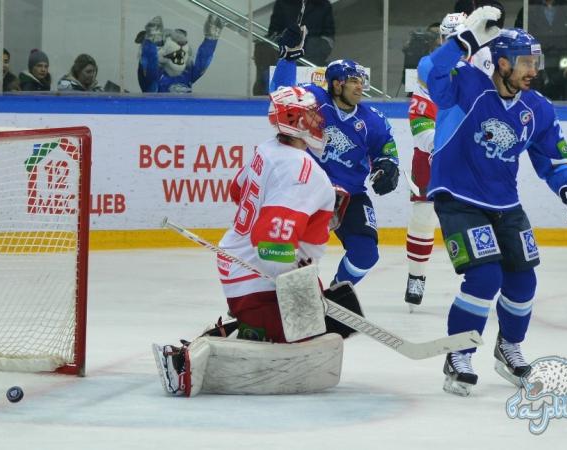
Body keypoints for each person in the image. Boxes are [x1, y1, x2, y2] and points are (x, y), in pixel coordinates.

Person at [152, 86, 364, 397]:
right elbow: (268, 243)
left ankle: (257, 326)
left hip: (242, 266)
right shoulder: (302, 170)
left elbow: (236, 191)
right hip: (260, 278)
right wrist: (296, 281)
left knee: (332, 318)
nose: (318, 121)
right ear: (293, 120)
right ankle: (192, 357)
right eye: (310, 115)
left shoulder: (268, 149)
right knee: (312, 335)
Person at [418, 6, 567, 396]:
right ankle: (458, 353)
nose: (533, 69)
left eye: (535, 61)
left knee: (523, 280)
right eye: (524, 62)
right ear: (501, 62)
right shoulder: (467, 84)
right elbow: (427, 71)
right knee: (485, 276)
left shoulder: (537, 108)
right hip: (458, 197)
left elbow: (554, 161)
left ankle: (509, 347)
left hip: (505, 203)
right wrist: (463, 41)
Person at [270, 30, 400, 287]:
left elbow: (386, 149)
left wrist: (388, 166)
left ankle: (336, 293)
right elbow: (280, 93)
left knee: (366, 254)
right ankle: (264, 290)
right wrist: (288, 58)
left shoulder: (372, 119)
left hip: (349, 196)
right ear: (337, 83)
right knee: (287, 248)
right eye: (353, 80)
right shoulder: (313, 99)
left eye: (362, 80)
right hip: (308, 190)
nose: (360, 86)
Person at [404, 3, 505, 310]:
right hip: (434, 156)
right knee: (423, 216)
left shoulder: (486, 69)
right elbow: (421, 127)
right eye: (447, 40)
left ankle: (486, 274)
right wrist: (449, 143)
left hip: (476, 157)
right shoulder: (430, 70)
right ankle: (416, 275)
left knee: (487, 214)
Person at [253, 0, 335, 95]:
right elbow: (273, 33)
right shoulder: (282, 3)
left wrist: (306, 46)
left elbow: (328, 38)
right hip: (284, 57)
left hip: (311, 59)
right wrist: (288, 41)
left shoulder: (323, 4)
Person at [136, 13, 224, 93]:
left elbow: (201, 63)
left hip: (187, 109)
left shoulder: (186, 71)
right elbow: (149, 64)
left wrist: (211, 38)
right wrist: (150, 40)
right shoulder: (154, 75)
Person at [515, 0, 567, 100]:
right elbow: (517, 39)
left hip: (565, 67)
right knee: (534, 102)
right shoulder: (527, 9)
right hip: (535, 68)